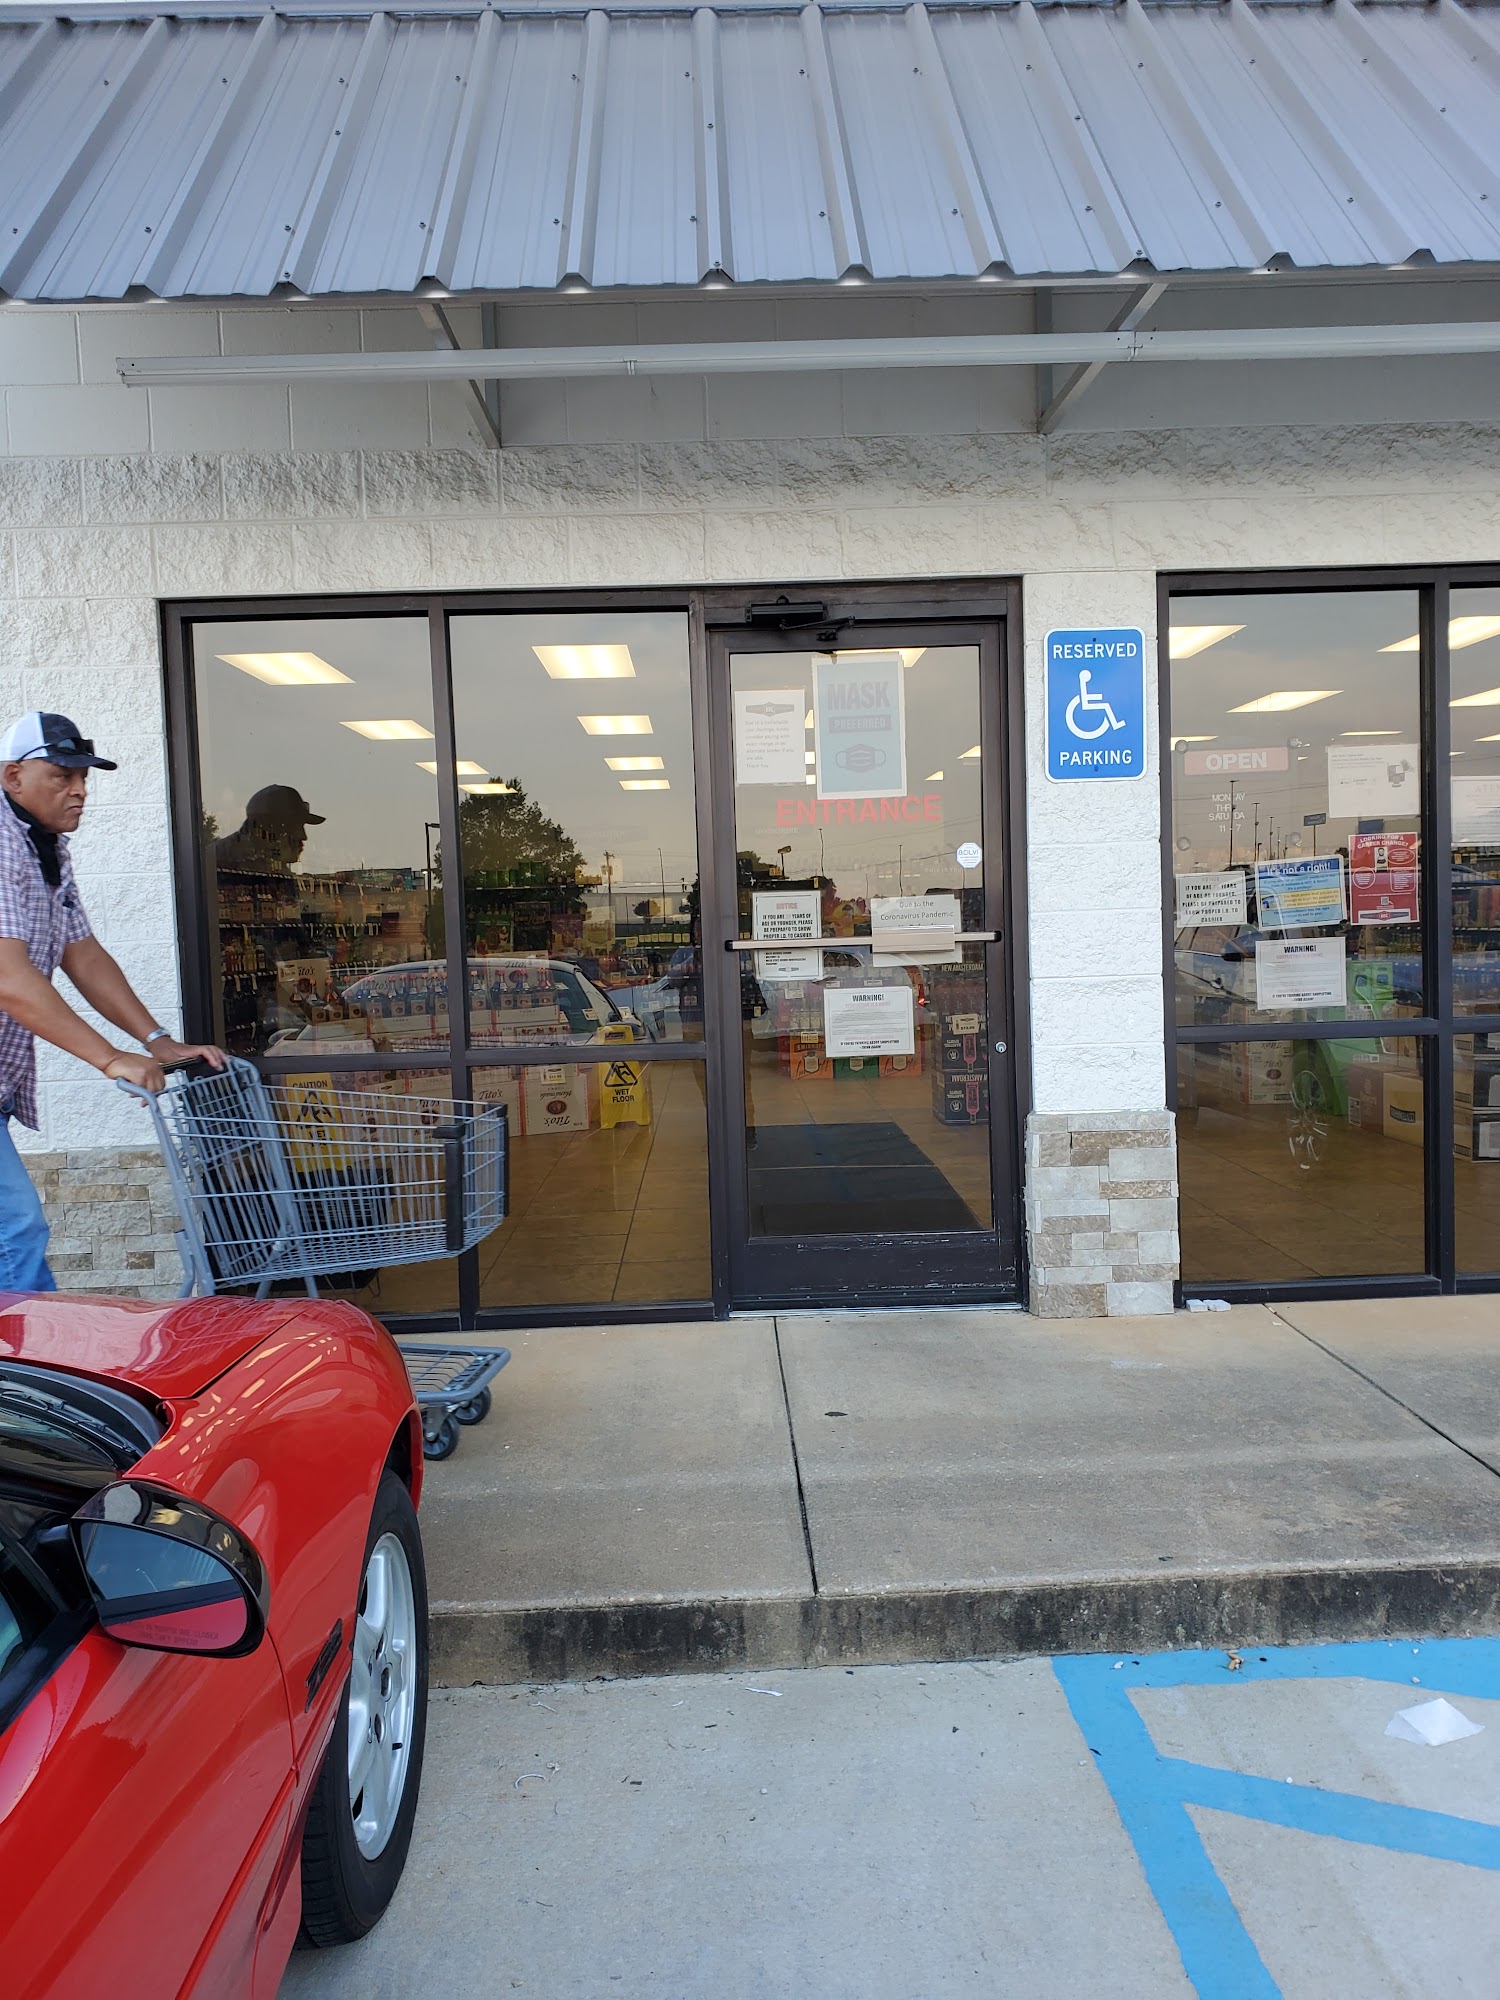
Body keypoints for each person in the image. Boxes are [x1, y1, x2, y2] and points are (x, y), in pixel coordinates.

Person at [0, 712, 225, 1292]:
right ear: (13, 776)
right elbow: (9, 978)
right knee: (14, 1233)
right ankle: (30, 1352)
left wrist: (156, 1041)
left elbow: (83, 954)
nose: (79, 790)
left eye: (84, 777)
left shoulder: (45, 847)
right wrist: (109, 1058)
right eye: (62, 775)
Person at [214, 783, 325, 875]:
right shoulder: (216, 861)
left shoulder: (272, 867)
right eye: (295, 827)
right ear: (267, 829)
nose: (303, 837)